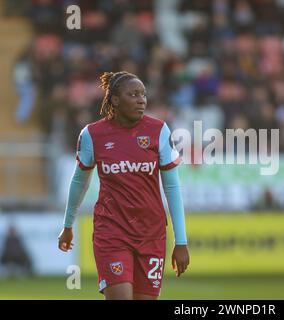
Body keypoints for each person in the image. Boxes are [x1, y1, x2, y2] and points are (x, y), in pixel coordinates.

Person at [58, 71, 189, 300]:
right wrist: (68, 224)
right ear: (115, 100)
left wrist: (181, 241)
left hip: (151, 233)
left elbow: (172, 187)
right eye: (133, 94)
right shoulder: (92, 134)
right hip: (112, 232)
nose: (141, 100)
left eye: (143, 94)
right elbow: (80, 180)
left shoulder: (158, 130)